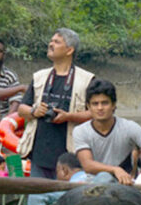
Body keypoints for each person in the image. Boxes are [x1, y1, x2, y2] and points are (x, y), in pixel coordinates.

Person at [16, 29, 95, 180]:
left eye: (57, 42)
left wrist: (69, 116)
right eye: (51, 41)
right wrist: (34, 111)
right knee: (37, 199)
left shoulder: (87, 79)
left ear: (69, 50)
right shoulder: (40, 76)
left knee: (67, 200)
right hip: (40, 153)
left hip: (72, 156)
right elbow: (21, 109)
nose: (50, 44)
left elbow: (96, 114)